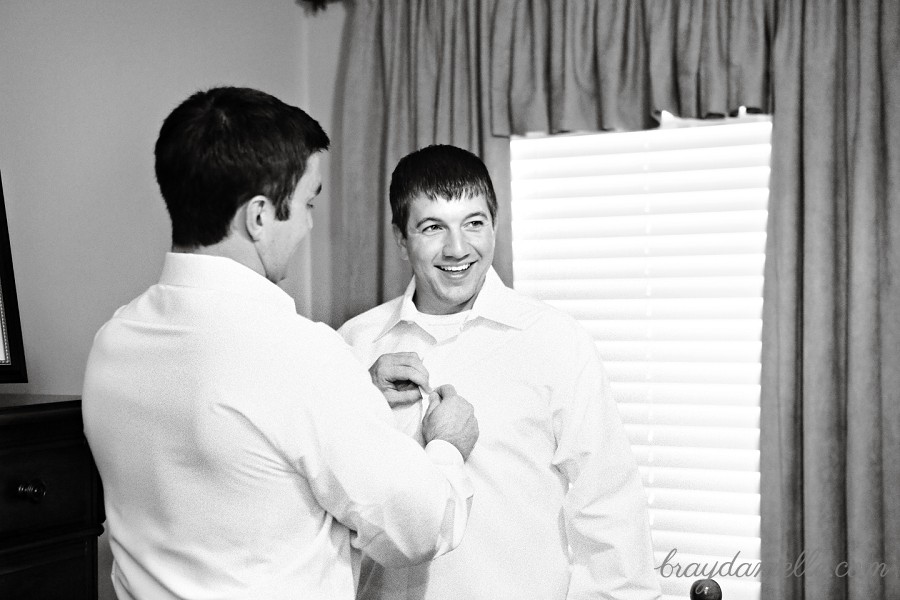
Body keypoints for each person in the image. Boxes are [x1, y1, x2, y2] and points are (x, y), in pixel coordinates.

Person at [81, 88, 479, 600]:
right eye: (308, 203)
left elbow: (233, 452)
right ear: (260, 216)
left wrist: (353, 396)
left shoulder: (112, 341)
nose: (310, 224)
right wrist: (447, 446)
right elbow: (421, 526)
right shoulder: (297, 353)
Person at [339, 144, 662, 600]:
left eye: (474, 223)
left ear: (494, 225)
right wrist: (357, 398)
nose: (458, 248)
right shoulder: (353, 345)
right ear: (399, 236)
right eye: (433, 227)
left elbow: (608, 509)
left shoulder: (556, 341)